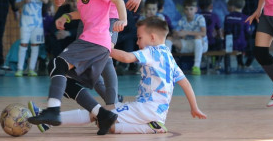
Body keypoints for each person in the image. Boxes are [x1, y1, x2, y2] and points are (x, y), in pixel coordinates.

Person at [30, 17, 206, 134]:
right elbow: (185, 83)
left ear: (152, 38)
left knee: (99, 114)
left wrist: (105, 47)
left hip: (145, 108)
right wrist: (194, 107)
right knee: (108, 122)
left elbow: (127, 57)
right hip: (157, 113)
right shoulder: (169, 57)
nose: (137, 42)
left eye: (139, 38)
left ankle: (48, 120)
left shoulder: (152, 52)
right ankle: (153, 127)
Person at [27, 0, 126, 135]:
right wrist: (67, 17)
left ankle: (53, 111)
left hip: (96, 40)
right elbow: (88, 11)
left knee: (57, 64)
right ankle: (103, 115)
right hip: (93, 41)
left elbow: (117, 0)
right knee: (63, 79)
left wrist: (123, 20)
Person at [14, 0, 49, 76]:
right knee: (23, 44)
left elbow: (46, 1)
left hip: (38, 25)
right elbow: (16, 5)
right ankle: (20, 69)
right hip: (25, 23)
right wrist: (23, 1)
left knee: (35, 46)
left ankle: (31, 69)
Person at [170, 0, 208, 75]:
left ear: (196, 9)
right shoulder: (182, 20)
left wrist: (186, 33)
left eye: (191, 9)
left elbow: (203, 33)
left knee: (198, 38)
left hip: (201, 44)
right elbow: (176, 33)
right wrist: (177, 34)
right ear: (184, 10)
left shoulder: (200, 18)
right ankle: (167, 65)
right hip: (188, 44)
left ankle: (196, 66)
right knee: (169, 39)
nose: (189, 11)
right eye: (186, 9)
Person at [224, 0, 252, 69]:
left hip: (228, 45)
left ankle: (239, 63)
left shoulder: (227, 17)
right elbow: (247, 32)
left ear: (232, 7)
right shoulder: (246, 18)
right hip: (242, 45)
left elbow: (226, 30)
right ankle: (246, 64)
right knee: (253, 44)